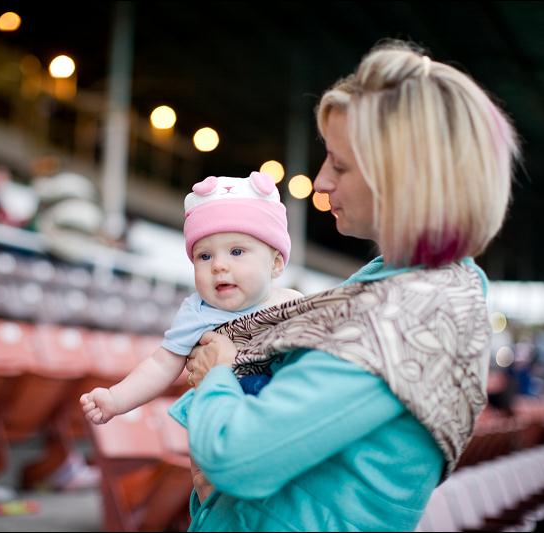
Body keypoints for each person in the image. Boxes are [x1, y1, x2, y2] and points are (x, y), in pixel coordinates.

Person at [171, 40, 519, 531]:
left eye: (339, 164)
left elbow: (238, 457)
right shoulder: (425, 291)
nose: (320, 181)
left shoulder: (401, 316)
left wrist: (214, 380)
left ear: (403, 177)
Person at [80, 172, 303, 425]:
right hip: (221, 426)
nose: (218, 265)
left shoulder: (294, 304)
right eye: (204, 256)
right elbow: (161, 365)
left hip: (282, 422)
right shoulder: (198, 312)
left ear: (275, 264)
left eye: (237, 251)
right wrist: (115, 399)